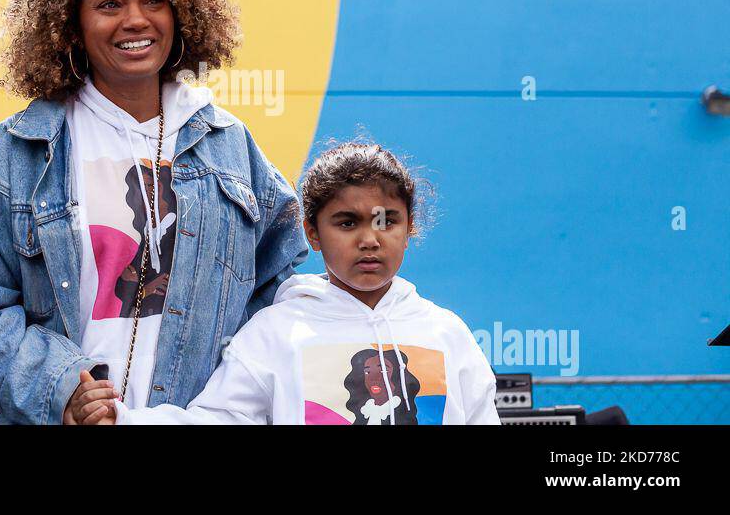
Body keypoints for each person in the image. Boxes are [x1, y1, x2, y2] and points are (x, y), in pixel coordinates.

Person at [0, 0, 309, 424]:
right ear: (70, 22)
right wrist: (61, 390)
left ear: (183, 10)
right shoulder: (18, 152)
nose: (135, 20)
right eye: (108, 3)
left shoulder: (228, 146)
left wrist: (228, 399)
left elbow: (280, 289)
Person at [71, 141, 499, 425]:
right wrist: (124, 419)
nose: (369, 239)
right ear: (312, 233)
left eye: (387, 221)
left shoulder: (446, 333)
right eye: (346, 222)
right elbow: (219, 420)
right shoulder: (277, 331)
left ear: (409, 229)